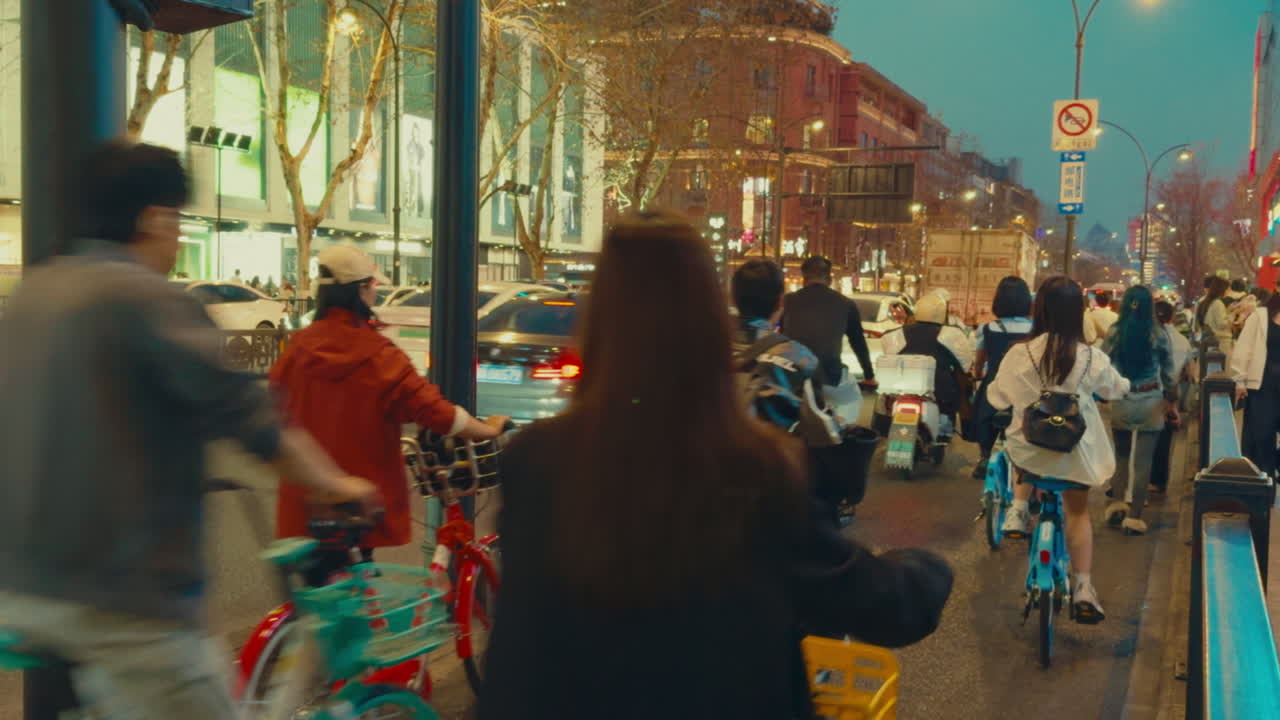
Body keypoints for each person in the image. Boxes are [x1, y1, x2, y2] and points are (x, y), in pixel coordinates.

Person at [478, 211, 953, 720]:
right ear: (707, 316)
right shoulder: (755, 469)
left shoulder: (537, 459)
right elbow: (876, 603)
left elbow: (519, 651)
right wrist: (926, 569)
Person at [0, 141, 376, 720]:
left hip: (24, 584)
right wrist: (335, 483)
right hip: (124, 599)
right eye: (177, 218)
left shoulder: (35, 295)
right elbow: (248, 415)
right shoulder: (146, 299)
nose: (178, 236)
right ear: (154, 217)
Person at [270, 244, 509, 581]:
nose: (375, 292)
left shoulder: (296, 349)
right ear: (361, 290)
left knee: (323, 600)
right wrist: (487, 429)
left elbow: (271, 410)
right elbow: (437, 413)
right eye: (373, 286)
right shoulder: (378, 355)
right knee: (357, 603)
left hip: (305, 502)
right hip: (355, 507)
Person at [991, 276, 1130, 622]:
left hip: (1030, 452)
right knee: (1078, 512)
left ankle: (1019, 509)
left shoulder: (1019, 354)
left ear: (1039, 310)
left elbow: (997, 396)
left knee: (1020, 451)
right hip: (1075, 456)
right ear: (1077, 314)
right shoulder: (1090, 357)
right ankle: (1083, 587)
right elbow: (1115, 389)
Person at [1100, 287, 1178, 535]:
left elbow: (1103, 361)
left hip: (1122, 398)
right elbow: (1169, 371)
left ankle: (1117, 506)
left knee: (1121, 458)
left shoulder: (1116, 331)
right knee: (1143, 462)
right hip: (1151, 400)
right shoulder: (1158, 333)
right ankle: (1134, 518)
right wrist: (1171, 398)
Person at [782, 255, 877, 421]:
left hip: (792, 377)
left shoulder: (788, 301)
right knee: (853, 399)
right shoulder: (845, 304)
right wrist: (869, 376)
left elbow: (783, 337)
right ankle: (841, 434)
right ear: (830, 278)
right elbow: (858, 343)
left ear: (804, 278)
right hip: (829, 377)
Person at [880, 291, 976, 434]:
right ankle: (958, 429)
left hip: (900, 391)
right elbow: (966, 366)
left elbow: (888, 358)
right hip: (940, 393)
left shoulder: (894, 334)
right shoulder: (952, 334)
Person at [970, 276, 1034, 478]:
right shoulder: (1036, 329)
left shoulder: (988, 329)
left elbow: (980, 360)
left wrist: (978, 374)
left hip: (996, 385)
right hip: (1026, 388)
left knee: (982, 413)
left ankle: (984, 456)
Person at [1231, 291, 1280, 479]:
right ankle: (1264, 485)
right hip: (1262, 387)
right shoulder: (1259, 316)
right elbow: (1244, 348)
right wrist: (1240, 379)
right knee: (1262, 437)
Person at [1150, 300, 1193, 494]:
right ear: (1172, 317)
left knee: (1142, 441)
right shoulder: (1182, 341)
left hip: (1145, 391)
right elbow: (1189, 372)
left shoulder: (1146, 336)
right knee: (1163, 439)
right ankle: (1159, 480)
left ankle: (1132, 484)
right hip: (1169, 393)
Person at [1197, 276, 1232, 354]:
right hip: (1220, 342)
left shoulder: (1206, 302)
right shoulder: (1218, 303)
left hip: (1209, 340)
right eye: (1227, 289)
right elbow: (1222, 324)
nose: (1228, 291)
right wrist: (1232, 315)